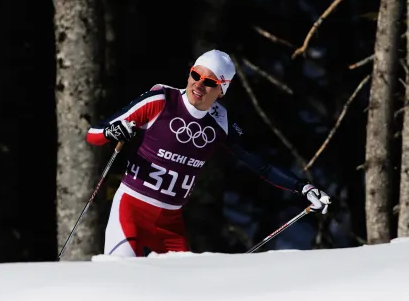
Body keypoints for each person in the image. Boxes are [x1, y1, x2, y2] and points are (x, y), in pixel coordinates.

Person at [87, 49, 331, 257]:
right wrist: (112, 132)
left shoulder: (221, 123)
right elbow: (93, 134)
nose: (199, 85)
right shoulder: (160, 100)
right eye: (196, 75)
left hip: (169, 223)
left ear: (222, 90)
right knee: (121, 282)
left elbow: (262, 165)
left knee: (184, 295)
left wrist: (304, 187)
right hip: (130, 209)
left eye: (210, 82)